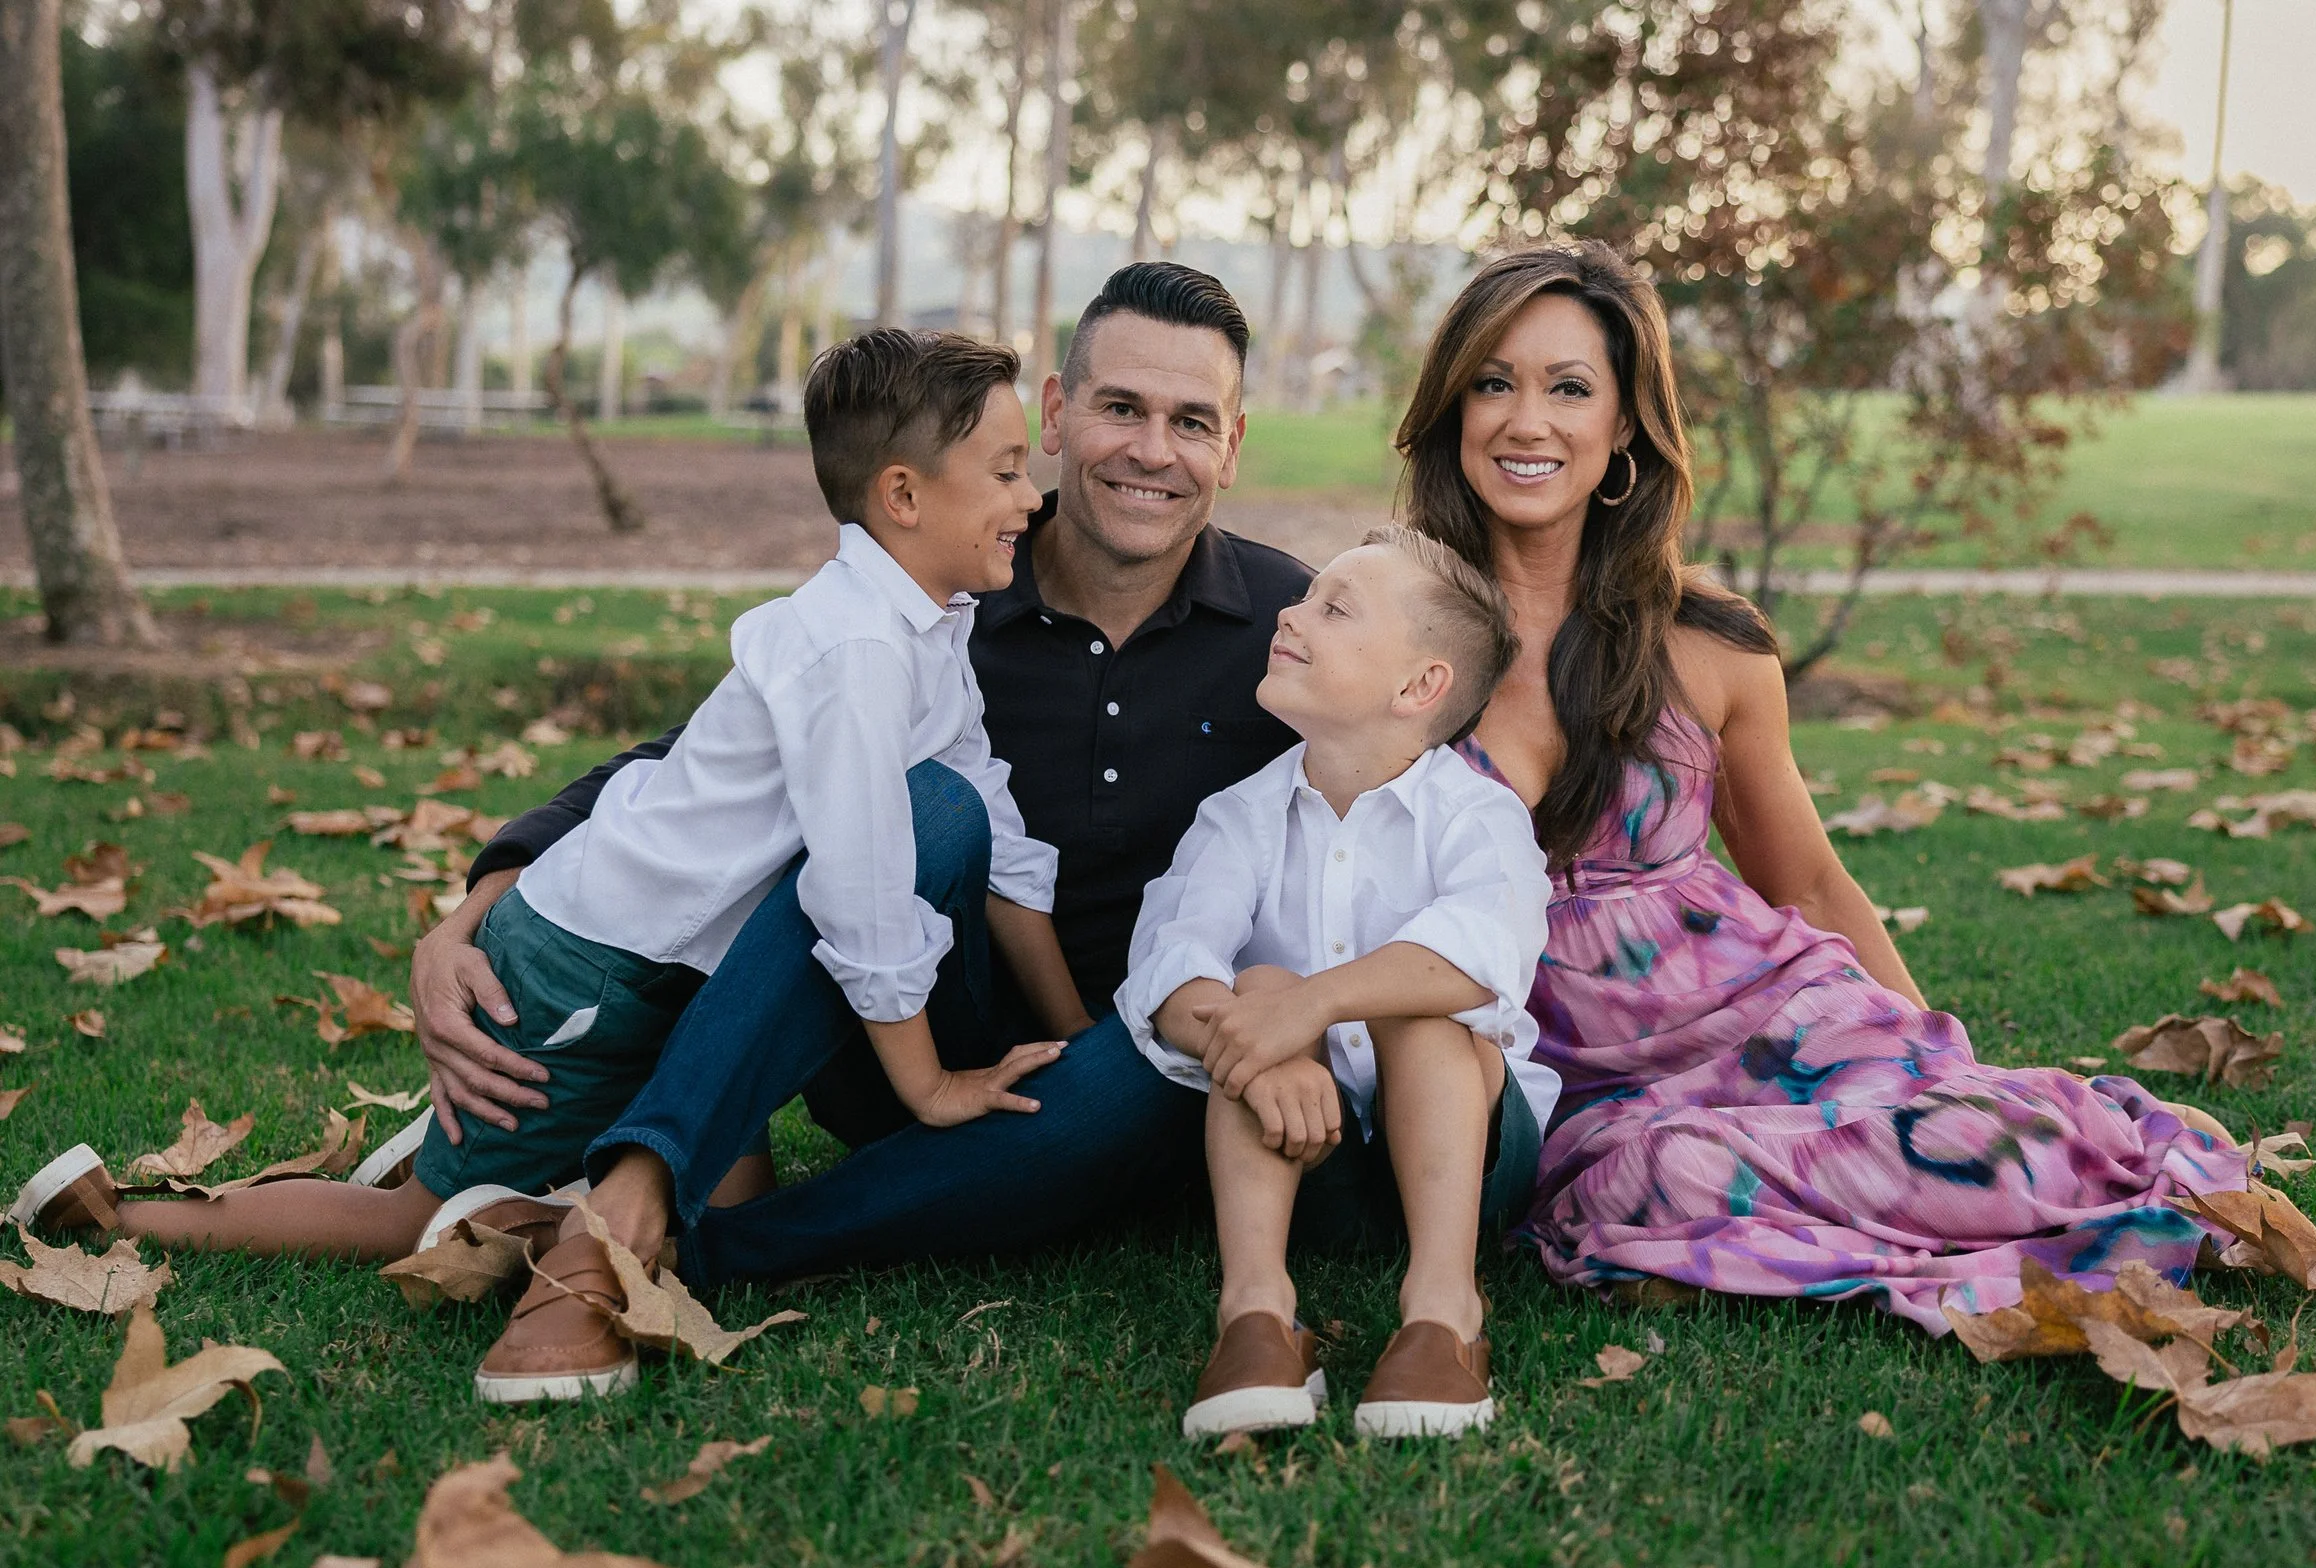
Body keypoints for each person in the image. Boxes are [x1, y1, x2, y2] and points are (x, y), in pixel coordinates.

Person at [7, 328, 1077, 1405]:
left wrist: (1076, 1034)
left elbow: (994, 828)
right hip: (592, 970)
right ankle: (122, 1213)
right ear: (901, 493)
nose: (1031, 496)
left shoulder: (932, 626)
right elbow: (857, 892)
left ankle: (549, 1186)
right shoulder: (854, 652)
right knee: (413, 1218)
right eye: (1004, 469)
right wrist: (928, 1084)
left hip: (698, 973)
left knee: (730, 1211)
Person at [408, 264, 1312, 1344]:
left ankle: (705, 1241)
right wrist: (480, 902)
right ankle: (632, 1193)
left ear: (1234, 442)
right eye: (1122, 407)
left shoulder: (1292, 625)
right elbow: (701, 754)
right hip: (899, 1032)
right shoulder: (935, 579)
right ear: (1062, 412)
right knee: (915, 813)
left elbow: (1394, 786)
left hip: (1116, 1053)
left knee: (1150, 1072)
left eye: (1191, 421)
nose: (1153, 449)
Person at [1391, 242, 2248, 1332]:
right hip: (1589, 1091)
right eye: (1493, 382)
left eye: (1569, 388)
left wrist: (1945, 1069)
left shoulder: (1711, 649)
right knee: (1647, 1191)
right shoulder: (1389, 635)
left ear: (1621, 433)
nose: (1527, 420)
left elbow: (1807, 883)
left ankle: (1993, 1152)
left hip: (1778, 1021)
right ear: (1452, 408)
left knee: (1992, 1145)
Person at [1119, 527, 1556, 1441]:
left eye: (1335, 607)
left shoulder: (1477, 813)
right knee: (1254, 981)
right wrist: (1252, 1040)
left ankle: (1444, 1312)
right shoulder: (1239, 815)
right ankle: (1257, 1313)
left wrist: (1304, 1009)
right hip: (1302, 1149)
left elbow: (1480, 951)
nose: (1290, 612)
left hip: (1466, 1162)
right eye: (1306, 596)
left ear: (1417, 688)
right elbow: (1169, 961)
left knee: (1419, 1007)